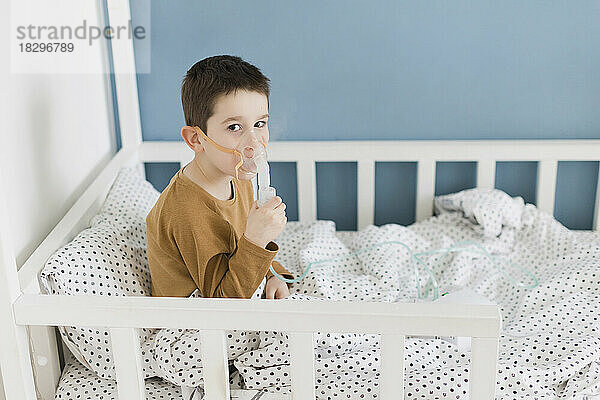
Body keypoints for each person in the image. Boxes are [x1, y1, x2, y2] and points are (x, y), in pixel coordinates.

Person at [146, 55, 294, 300]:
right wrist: (257, 239)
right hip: (195, 323)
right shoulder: (186, 211)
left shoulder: (237, 177)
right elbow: (222, 304)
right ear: (196, 139)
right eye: (234, 127)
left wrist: (272, 274)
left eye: (259, 124)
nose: (254, 143)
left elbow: (238, 247)